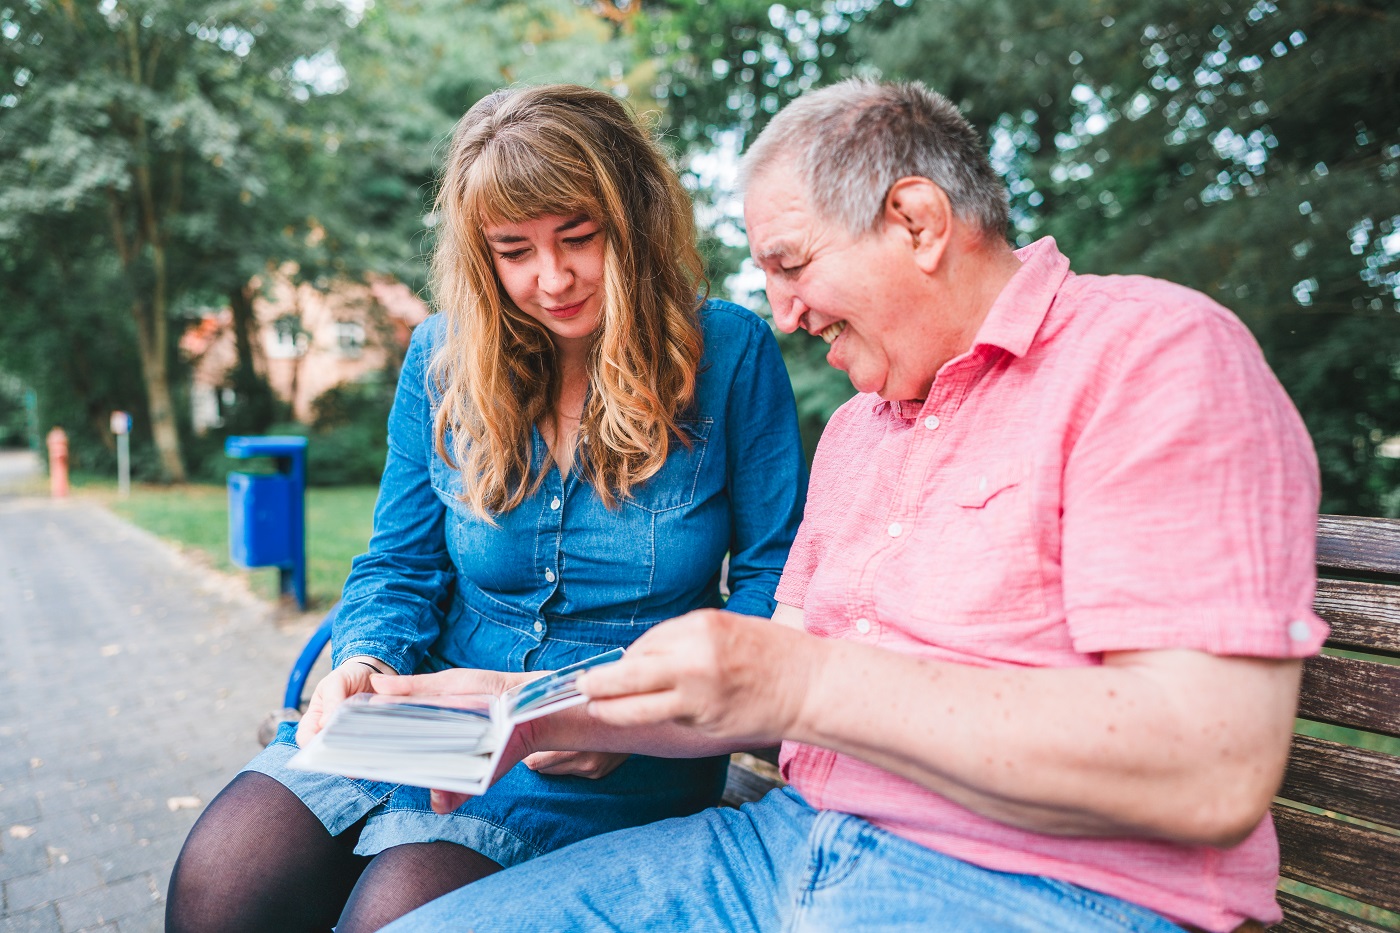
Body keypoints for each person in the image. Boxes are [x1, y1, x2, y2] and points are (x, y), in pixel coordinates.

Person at [373, 79, 1326, 933]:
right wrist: (535, 711)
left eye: (791, 265)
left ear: (916, 222)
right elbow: (743, 691)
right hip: (787, 846)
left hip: (1039, 884)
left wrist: (805, 683)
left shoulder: (1152, 358)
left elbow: (1211, 765)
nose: (781, 313)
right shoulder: (862, 429)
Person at [164, 84, 807, 933]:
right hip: (432, 710)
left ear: (636, 222)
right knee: (220, 879)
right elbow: (399, 564)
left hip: (609, 753)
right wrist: (365, 658)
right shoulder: (441, 357)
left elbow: (776, 581)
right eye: (515, 251)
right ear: (481, 257)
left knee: (394, 910)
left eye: (580, 238)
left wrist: (638, 717)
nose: (553, 278)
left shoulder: (729, 353)